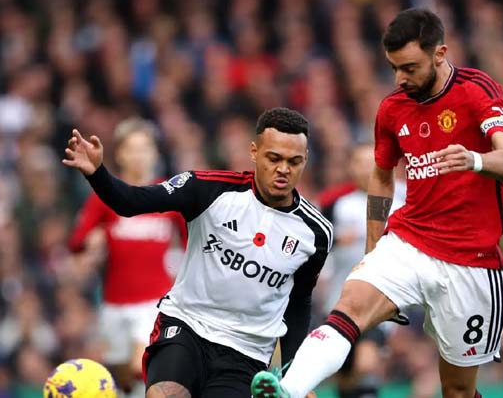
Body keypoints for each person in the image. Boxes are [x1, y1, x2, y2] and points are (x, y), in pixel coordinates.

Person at [251, 8, 503, 398]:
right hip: (410, 240)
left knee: (458, 390)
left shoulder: (477, 90)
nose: (400, 79)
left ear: (440, 54)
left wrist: (473, 160)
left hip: (472, 262)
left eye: (409, 67)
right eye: (394, 68)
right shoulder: (393, 109)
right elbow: (381, 175)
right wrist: (373, 249)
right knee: (351, 305)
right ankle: (287, 390)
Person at [62, 107, 333, 398]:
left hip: (247, 352)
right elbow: (131, 202)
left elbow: (300, 301)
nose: (283, 169)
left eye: (294, 161)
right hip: (187, 325)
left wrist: (295, 373)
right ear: (254, 152)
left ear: (305, 161)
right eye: (274, 158)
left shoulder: (315, 233)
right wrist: (98, 174)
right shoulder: (207, 190)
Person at [68, 118, 187, 398]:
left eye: (145, 148)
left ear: (155, 153)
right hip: (114, 303)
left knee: (140, 363)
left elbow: (191, 242)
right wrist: (93, 241)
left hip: (155, 300)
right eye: (131, 149)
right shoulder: (106, 197)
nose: (139, 155)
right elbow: (76, 243)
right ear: (119, 154)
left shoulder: (168, 195)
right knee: (123, 381)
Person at [318, 142, 406, 398]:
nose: (367, 169)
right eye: (360, 163)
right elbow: (312, 243)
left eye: (372, 163)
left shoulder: (402, 198)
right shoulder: (335, 204)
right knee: (346, 378)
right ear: (350, 167)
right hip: (340, 301)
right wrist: (335, 241)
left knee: (367, 364)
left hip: (382, 301)